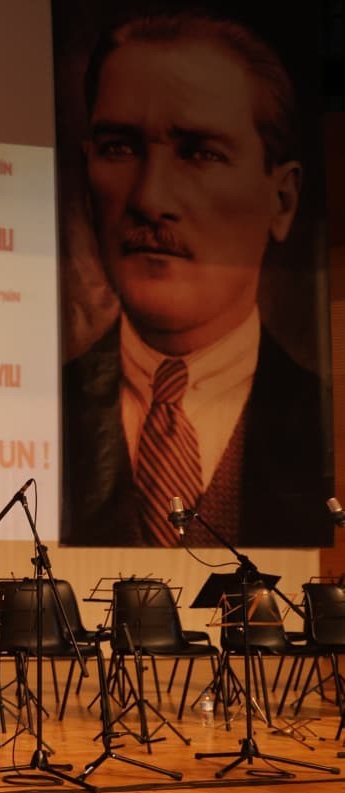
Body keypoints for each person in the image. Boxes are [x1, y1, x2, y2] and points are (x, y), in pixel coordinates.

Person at [61, 10, 332, 547]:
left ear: (282, 200)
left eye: (201, 153)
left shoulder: (316, 419)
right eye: (119, 148)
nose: (149, 198)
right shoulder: (41, 413)